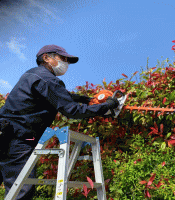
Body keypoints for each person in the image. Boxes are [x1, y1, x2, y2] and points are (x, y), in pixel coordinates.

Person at [0, 44, 119, 199]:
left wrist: (86, 99)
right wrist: (105, 107)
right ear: (46, 58)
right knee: (21, 190)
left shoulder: (33, 75)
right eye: (63, 58)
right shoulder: (47, 80)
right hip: (18, 140)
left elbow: (60, 95)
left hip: (5, 134)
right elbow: (72, 110)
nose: (66, 63)